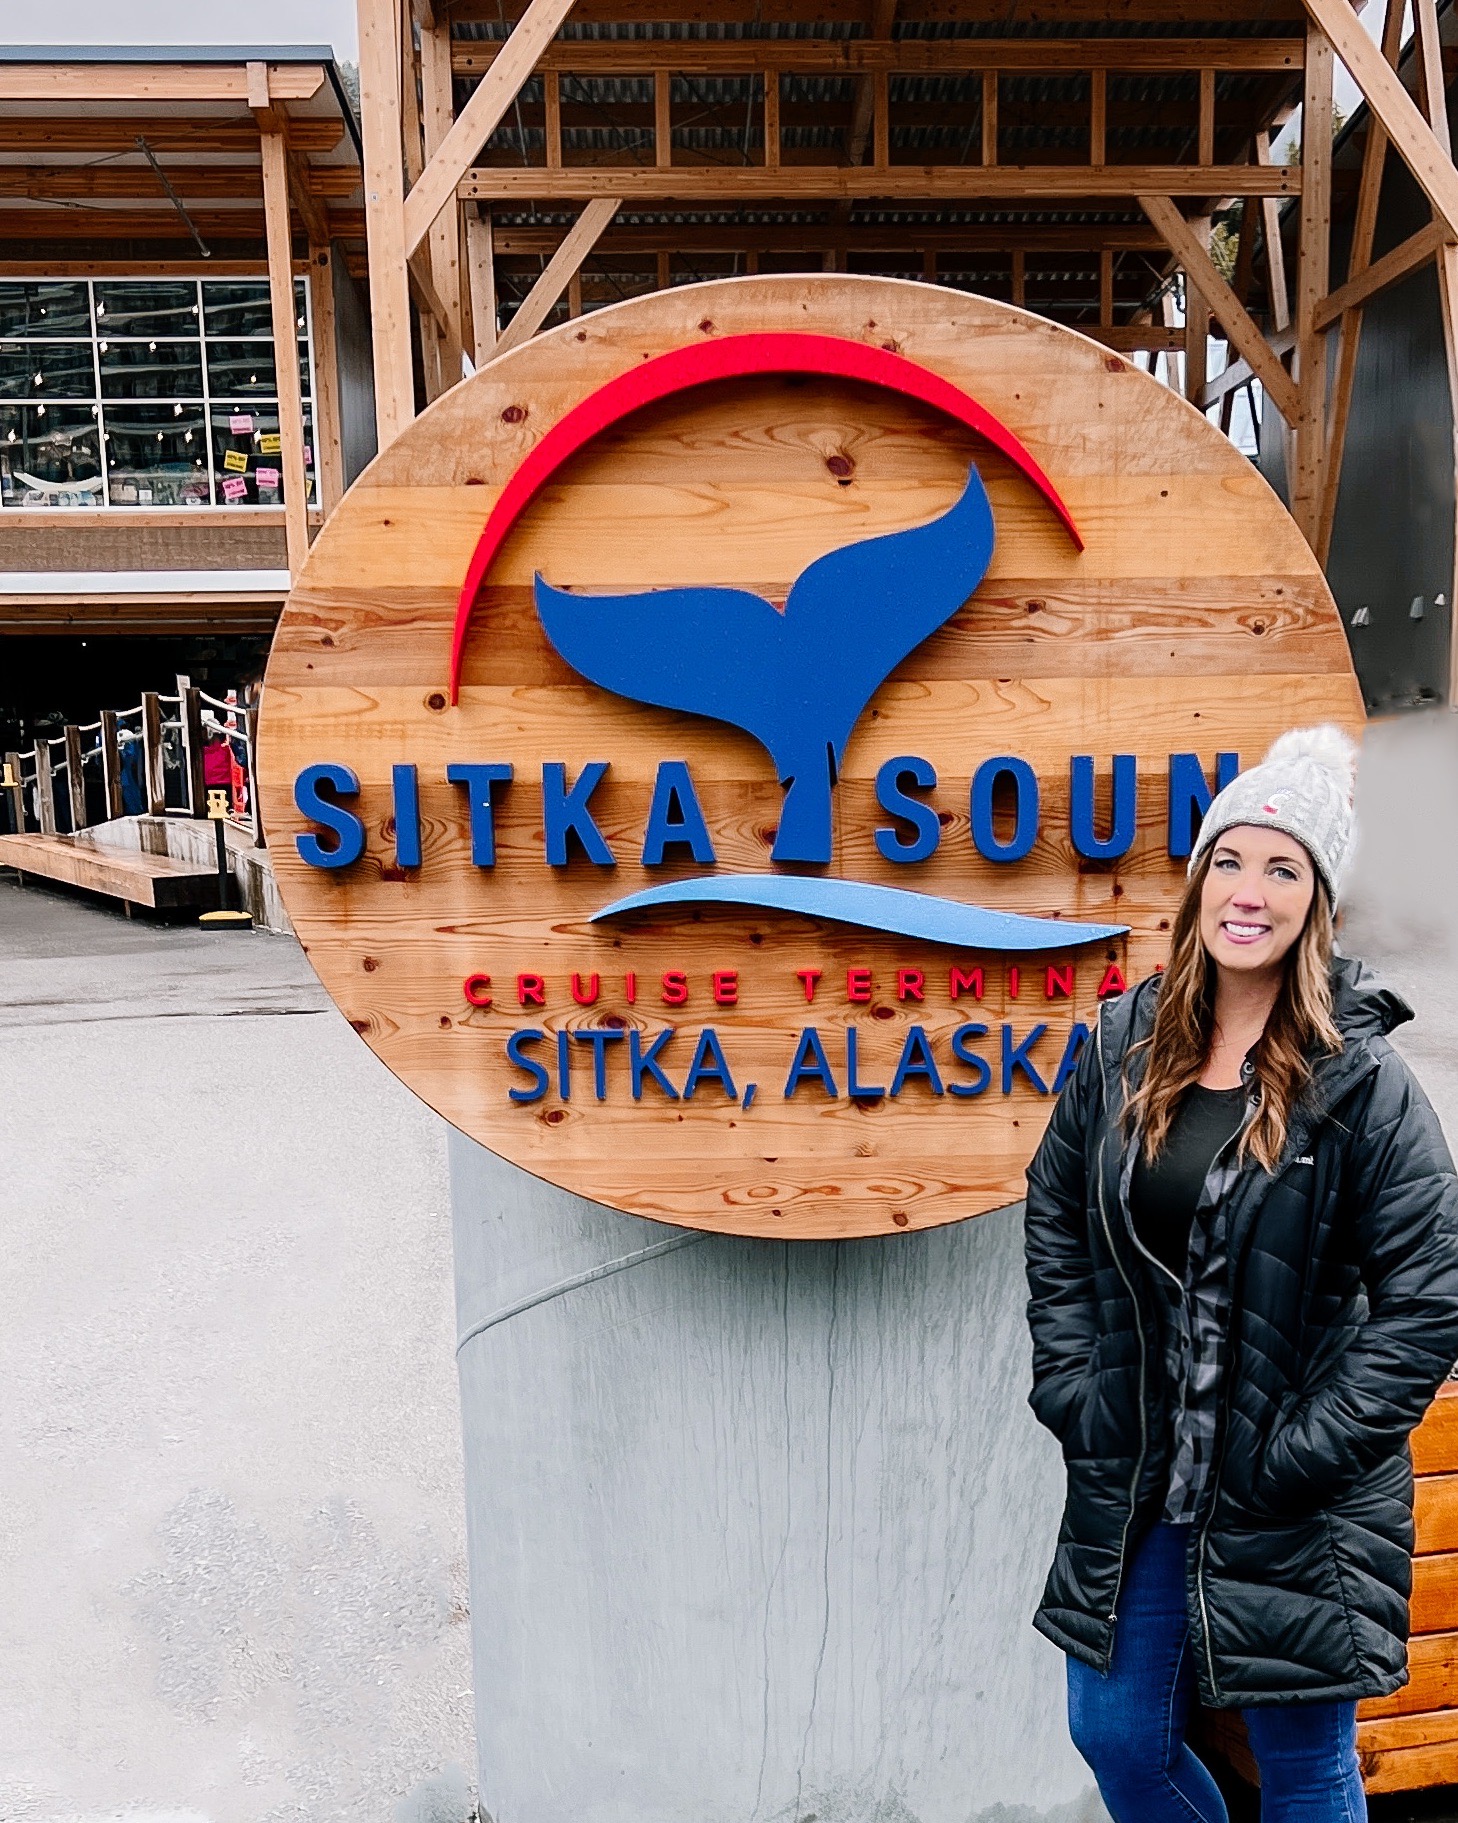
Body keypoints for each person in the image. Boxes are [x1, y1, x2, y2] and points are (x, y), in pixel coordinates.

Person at [1024, 726, 1458, 1823]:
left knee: (1304, 1766)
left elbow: (1430, 1290)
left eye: (1283, 867)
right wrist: (1078, 1386)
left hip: (1290, 1487)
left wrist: (1307, 1449)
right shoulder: (1125, 1041)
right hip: (1140, 1471)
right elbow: (1058, 1217)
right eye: (1231, 860)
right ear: (1199, 880)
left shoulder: (1359, 1080)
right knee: (1115, 1731)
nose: (1249, 891)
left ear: (1316, 901)